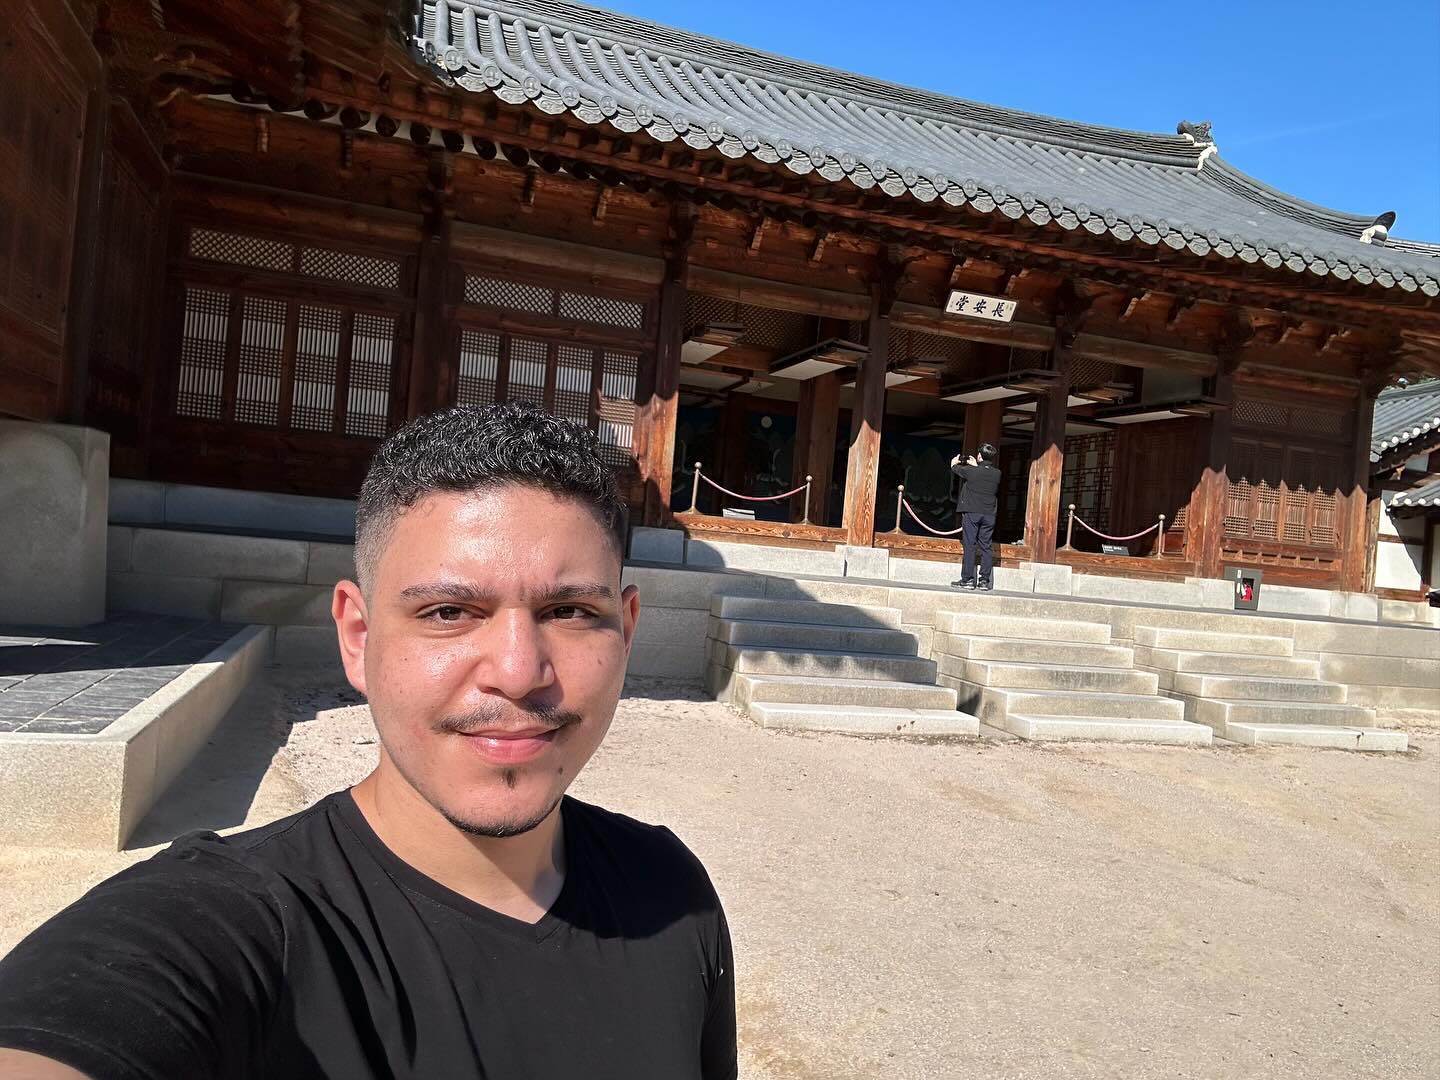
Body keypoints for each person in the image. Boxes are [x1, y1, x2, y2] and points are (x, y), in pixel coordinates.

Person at [0, 402, 737, 1080]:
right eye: (450, 612)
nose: (518, 673)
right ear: (357, 637)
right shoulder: (235, 923)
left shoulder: (671, 895)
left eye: (570, 610)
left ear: (627, 631)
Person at [949, 442, 1002, 591]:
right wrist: (976, 466)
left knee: (970, 545)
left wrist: (955, 462)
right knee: (986, 547)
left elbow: (955, 468)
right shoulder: (997, 473)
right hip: (989, 514)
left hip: (972, 512)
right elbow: (982, 473)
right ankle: (984, 581)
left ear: (979, 456)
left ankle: (967, 579)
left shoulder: (971, 471)